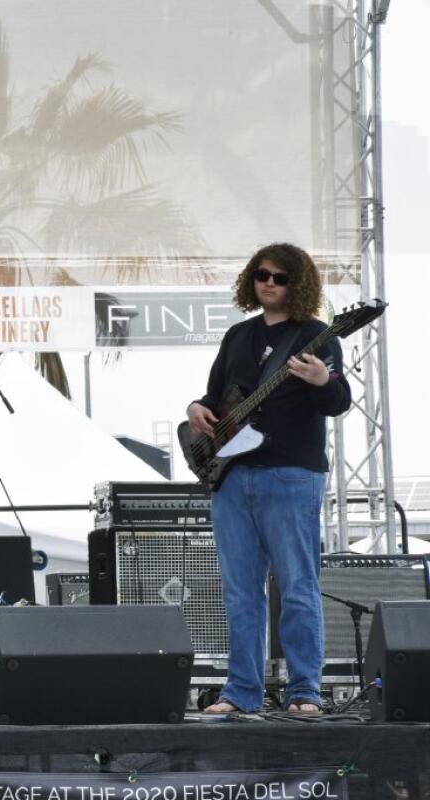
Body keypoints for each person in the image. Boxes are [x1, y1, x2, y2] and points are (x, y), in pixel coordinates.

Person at [186, 242, 350, 715]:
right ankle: (240, 692)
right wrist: (195, 408)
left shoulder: (319, 336)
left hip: (291, 473)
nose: (270, 284)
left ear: (297, 283)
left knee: (297, 585)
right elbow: (218, 396)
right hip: (233, 475)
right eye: (262, 275)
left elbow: (338, 402)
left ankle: (304, 691)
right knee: (240, 590)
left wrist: (324, 380)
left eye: (280, 277)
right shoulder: (238, 335)